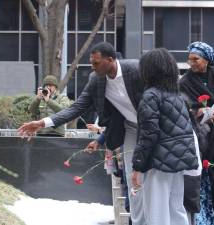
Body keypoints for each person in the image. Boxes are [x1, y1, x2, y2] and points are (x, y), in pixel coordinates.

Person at [18, 41, 147, 225]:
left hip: (152, 127)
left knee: (151, 180)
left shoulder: (135, 69)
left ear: (110, 60)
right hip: (130, 129)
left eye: (96, 63)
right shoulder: (96, 79)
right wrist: (42, 122)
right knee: (133, 178)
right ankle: (137, 221)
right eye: (91, 63)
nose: (92, 68)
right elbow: (77, 107)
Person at [131, 48, 199, 225]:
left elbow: (148, 134)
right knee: (176, 209)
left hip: (157, 164)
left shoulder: (151, 96)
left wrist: (138, 166)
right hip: (178, 163)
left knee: (156, 213)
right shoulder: (177, 96)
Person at [179, 41, 214, 225]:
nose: (192, 63)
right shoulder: (184, 82)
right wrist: (201, 113)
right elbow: (185, 109)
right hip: (204, 138)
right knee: (208, 179)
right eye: (190, 59)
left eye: (196, 59)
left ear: (207, 60)